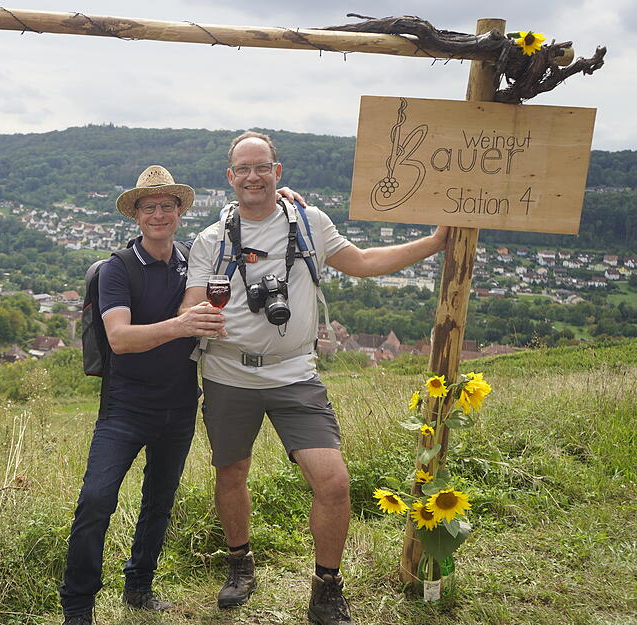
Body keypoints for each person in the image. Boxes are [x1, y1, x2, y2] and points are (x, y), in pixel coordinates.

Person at [179, 131, 448, 625]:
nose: (254, 177)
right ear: (230, 178)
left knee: (334, 482)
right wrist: (193, 315)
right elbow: (190, 302)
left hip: (295, 373)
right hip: (226, 373)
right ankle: (240, 564)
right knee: (231, 472)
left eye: (263, 167)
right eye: (244, 169)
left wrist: (434, 242)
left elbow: (363, 263)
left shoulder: (308, 224)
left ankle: (326, 588)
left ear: (278, 173)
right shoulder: (211, 241)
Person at [59, 165, 226, 625]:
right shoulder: (118, 269)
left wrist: (288, 201)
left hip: (179, 403)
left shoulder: (195, 262)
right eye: (148, 206)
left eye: (166, 206)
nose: (158, 214)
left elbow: (245, 236)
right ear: (136, 215)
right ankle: (78, 606)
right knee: (96, 499)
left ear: (178, 212)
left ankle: (139, 587)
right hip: (125, 406)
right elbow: (120, 339)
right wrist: (182, 325)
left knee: (160, 499)